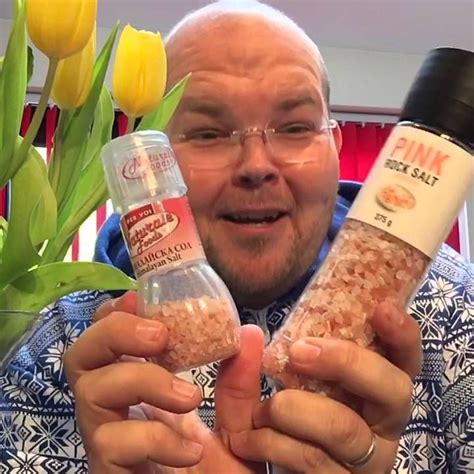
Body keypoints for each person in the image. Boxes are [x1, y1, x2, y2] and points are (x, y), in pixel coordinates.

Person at [1, 1, 472, 472]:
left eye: (293, 127)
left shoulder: (459, 317)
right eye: (208, 133)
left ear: (336, 148)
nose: (256, 166)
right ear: (149, 164)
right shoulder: (59, 350)